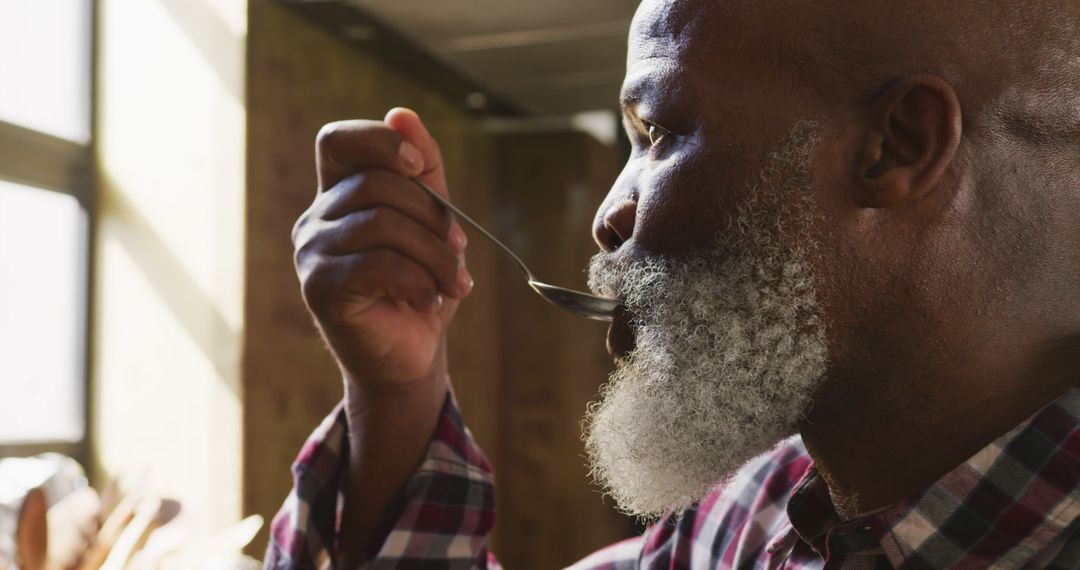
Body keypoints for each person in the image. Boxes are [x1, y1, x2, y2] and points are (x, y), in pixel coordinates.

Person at [265, 0, 1080, 567]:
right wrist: (397, 391)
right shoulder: (754, 514)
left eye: (656, 134)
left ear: (896, 146)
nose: (609, 216)